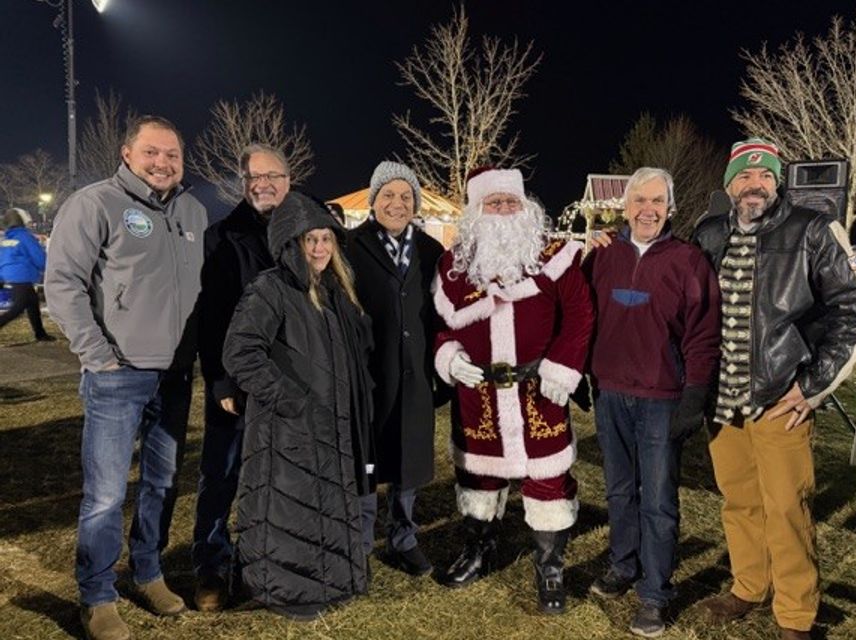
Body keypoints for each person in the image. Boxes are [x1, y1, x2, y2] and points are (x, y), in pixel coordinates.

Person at [691, 138, 856, 640]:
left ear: (778, 183)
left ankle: (796, 614)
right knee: (739, 502)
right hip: (722, 401)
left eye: (766, 177)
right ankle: (749, 586)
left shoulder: (812, 231)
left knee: (787, 508)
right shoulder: (707, 234)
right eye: (745, 178)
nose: (756, 186)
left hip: (780, 400)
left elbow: (855, 312)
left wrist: (812, 386)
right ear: (730, 186)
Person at [44, 115, 207, 640]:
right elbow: (63, 282)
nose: (163, 163)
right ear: (128, 153)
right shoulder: (95, 203)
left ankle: (149, 571)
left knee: (162, 483)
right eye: (153, 152)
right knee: (107, 493)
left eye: (173, 154)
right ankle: (96, 596)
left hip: (176, 375)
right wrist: (98, 355)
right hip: (117, 375)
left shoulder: (194, 210)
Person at [433, 167, 593, 614]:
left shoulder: (554, 255)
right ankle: (479, 549)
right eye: (493, 202)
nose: (503, 210)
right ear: (476, 210)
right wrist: (451, 357)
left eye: (511, 202)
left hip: (539, 389)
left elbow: (580, 315)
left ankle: (550, 565)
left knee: (548, 479)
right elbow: (443, 328)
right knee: (479, 478)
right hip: (478, 393)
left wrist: (561, 369)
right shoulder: (454, 266)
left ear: (525, 208)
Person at [221, 192, 372, 619]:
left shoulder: (333, 291)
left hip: (329, 421)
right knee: (288, 508)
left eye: (326, 239)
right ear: (291, 243)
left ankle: (330, 584)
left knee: (322, 502)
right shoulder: (270, 289)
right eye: (311, 240)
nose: (320, 248)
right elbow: (240, 353)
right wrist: (290, 400)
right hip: (287, 426)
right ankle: (289, 593)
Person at [584, 167, 721, 637]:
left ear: (670, 208)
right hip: (611, 393)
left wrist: (695, 393)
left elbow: (704, 334)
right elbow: (582, 314)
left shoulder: (688, 261)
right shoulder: (602, 255)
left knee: (658, 500)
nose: (648, 210)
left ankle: (655, 592)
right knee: (619, 490)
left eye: (658, 202)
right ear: (625, 206)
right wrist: (586, 371)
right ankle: (623, 565)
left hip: (661, 398)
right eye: (640, 200)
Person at [192, 143, 291, 611]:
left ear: (288, 180)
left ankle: (260, 564)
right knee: (223, 473)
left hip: (289, 380)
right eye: (254, 176)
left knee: (277, 476)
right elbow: (211, 317)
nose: (263, 183)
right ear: (243, 182)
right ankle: (211, 564)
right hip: (236, 380)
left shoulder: (305, 232)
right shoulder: (222, 236)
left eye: (273, 175)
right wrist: (221, 380)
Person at [344, 161, 445, 577]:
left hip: (415, 376)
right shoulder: (350, 246)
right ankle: (361, 543)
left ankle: (404, 537)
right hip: (370, 376)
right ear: (373, 200)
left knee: (408, 461)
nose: (397, 203)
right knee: (367, 461)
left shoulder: (430, 251)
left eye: (406, 196)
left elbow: (442, 314)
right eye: (388, 195)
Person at [0, 207, 55, 341]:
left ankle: (40, 333)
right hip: (22, 275)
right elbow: (37, 255)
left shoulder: (7, 238)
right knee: (18, 308)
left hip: (10, 275)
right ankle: (40, 334)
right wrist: (47, 267)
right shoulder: (24, 236)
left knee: (32, 303)